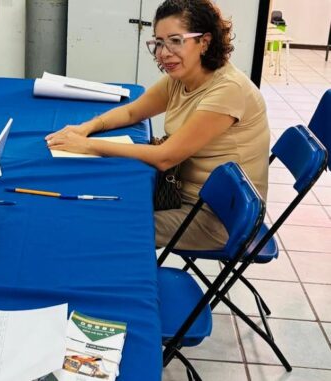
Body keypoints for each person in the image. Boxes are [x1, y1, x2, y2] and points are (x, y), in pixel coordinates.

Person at [46, 0, 269, 250]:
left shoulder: (229, 90)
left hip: (217, 216)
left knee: (105, 225)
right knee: (100, 196)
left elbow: (165, 157)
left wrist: (88, 145)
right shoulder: (182, 76)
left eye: (175, 41)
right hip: (180, 191)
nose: (164, 53)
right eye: (159, 42)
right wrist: (85, 128)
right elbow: (132, 111)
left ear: (204, 42)